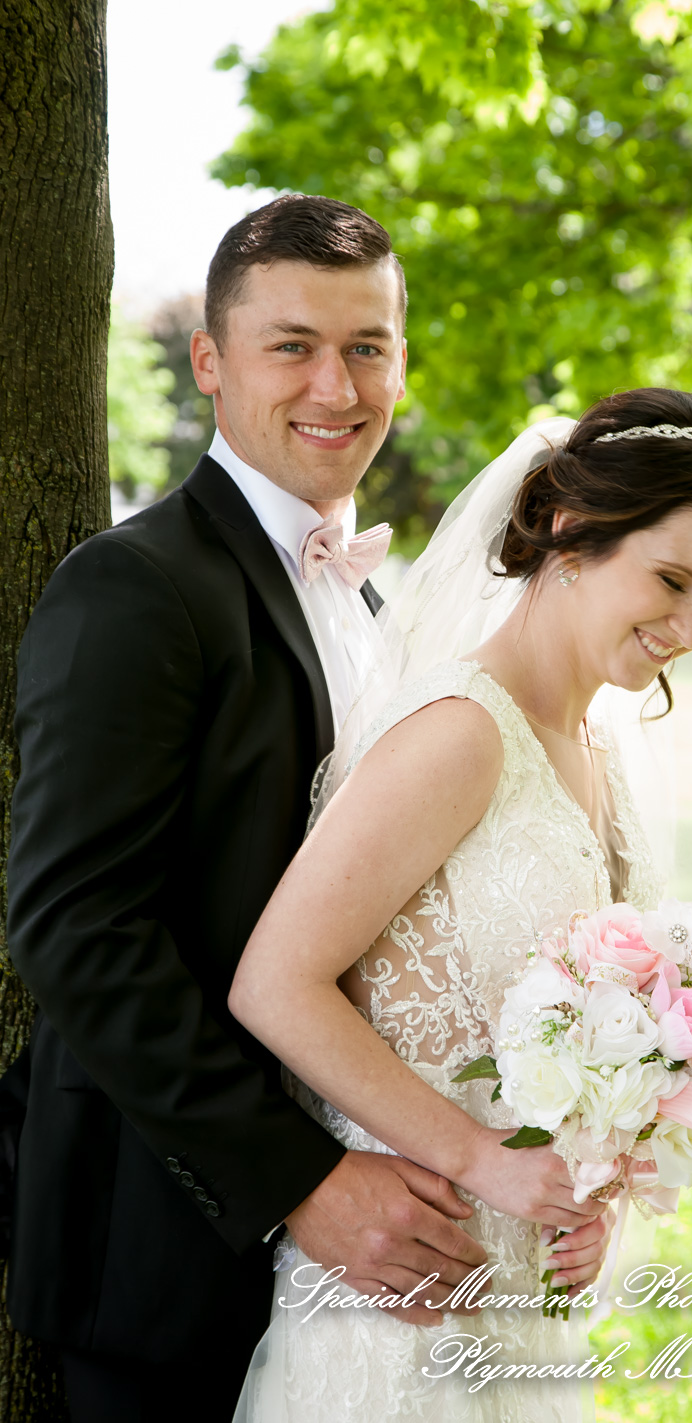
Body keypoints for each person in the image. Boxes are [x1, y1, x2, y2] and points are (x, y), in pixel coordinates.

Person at [4, 194, 489, 1423]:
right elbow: (75, 929)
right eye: (292, 345)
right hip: (166, 1237)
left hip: (360, 1267)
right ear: (210, 362)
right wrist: (301, 1180)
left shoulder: (380, 609)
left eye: (368, 345)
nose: (338, 385)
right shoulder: (134, 586)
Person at [228, 388, 692, 1421]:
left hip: (524, 1312)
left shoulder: (598, 750)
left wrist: (591, 1189)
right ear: (571, 532)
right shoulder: (459, 732)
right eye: (671, 579)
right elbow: (276, 983)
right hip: (403, 1306)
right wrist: (480, 1158)